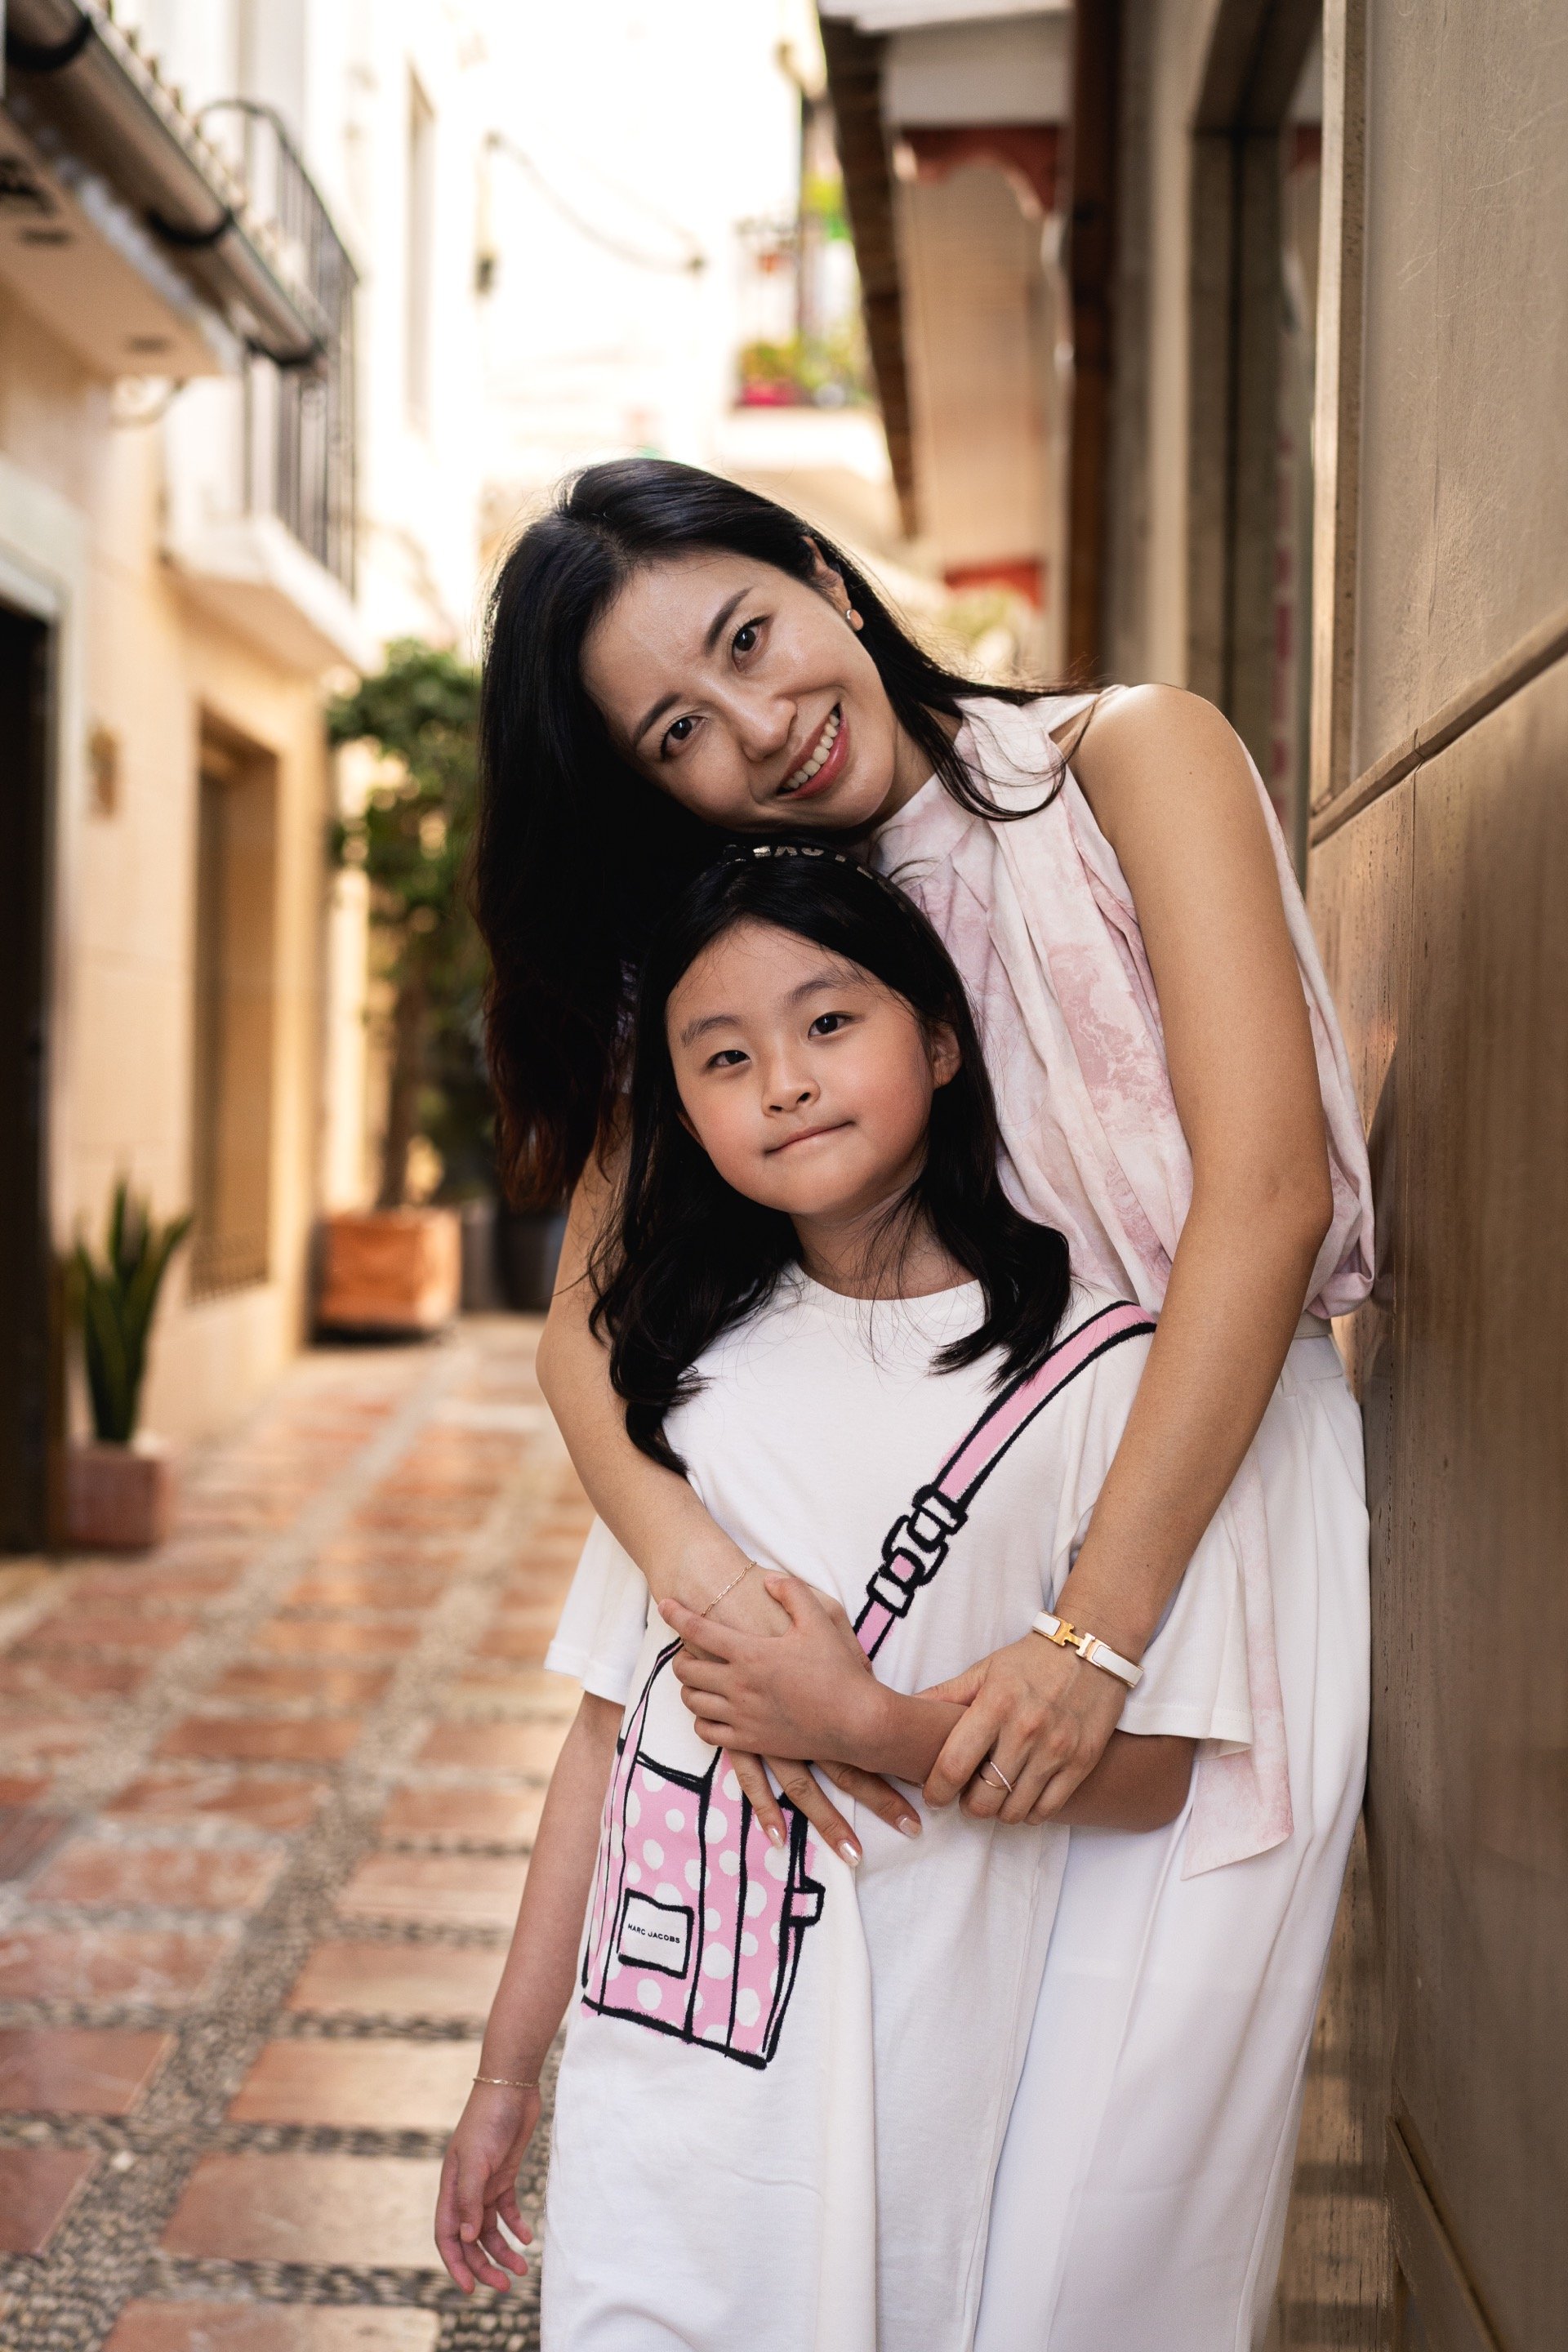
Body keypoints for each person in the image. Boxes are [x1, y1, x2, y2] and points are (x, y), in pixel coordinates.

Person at [473, 460, 1372, 2345]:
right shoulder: (771, 935)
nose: (764, 725)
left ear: (815, 566)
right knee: (927, 2189)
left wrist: (1095, 1639)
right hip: (967, 1529)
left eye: (749, 635)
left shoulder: (1125, 760)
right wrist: (709, 1597)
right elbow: (581, 1335)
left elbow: (1266, 1197)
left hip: (1190, 1526)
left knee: (1106, 2231)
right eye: (680, 733)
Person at [435, 852, 1251, 2351]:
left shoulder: (1096, 1374)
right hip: (661, 2078)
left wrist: (868, 1724)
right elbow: (604, 1747)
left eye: (828, 1023)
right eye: (724, 1057)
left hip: (906, 2112)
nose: (784, 1084)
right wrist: (507, 2072)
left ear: (940, 1040)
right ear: (681, 1111)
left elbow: (1150, 1782)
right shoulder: (690, 1384)